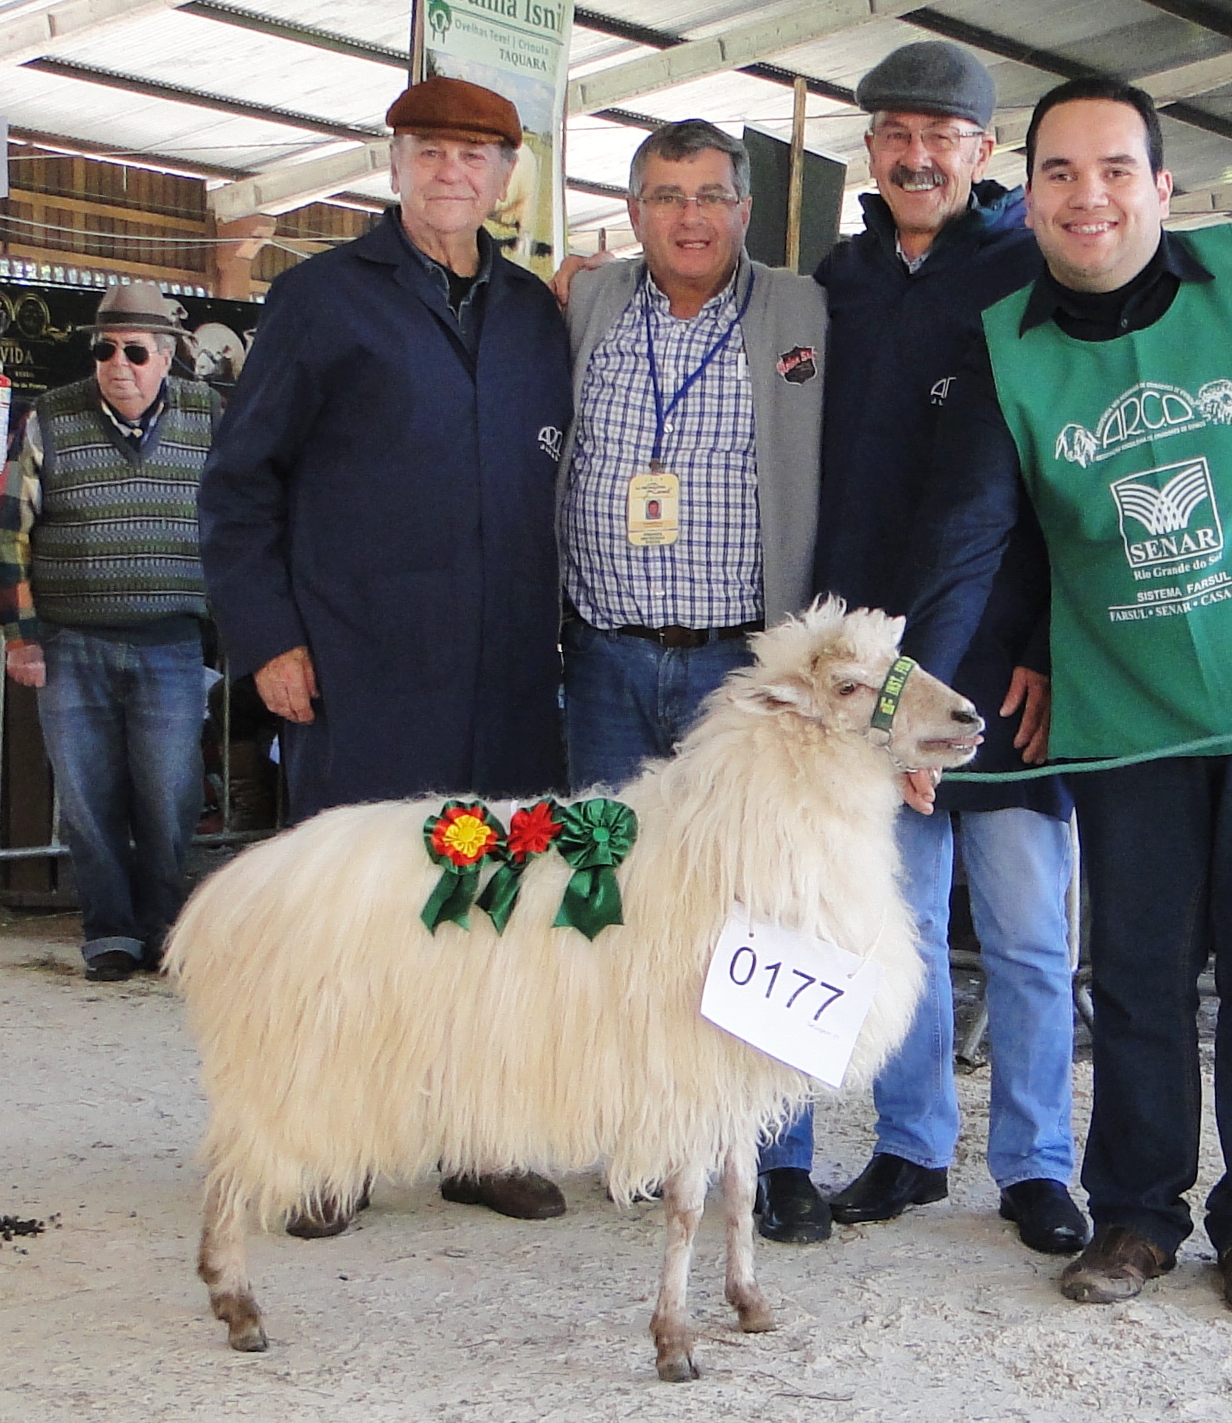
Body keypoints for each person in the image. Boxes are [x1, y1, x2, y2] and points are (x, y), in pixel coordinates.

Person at [905, 78, 1232, 1318]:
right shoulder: (1004, 345)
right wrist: (910, 701)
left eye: (1115, 169)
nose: (1089, 195)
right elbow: (969, 536)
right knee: (1136, 973)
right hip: (1128, 704)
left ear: (1161, 187)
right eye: (1060, 172)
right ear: (1027, 197)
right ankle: (1135, 1212)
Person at [197, 76, 575, 1231]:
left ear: (506, 177)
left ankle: (478, 1138)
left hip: (508, 682)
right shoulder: (320, 299)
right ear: (396, 161)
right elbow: (238, 484)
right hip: (363, 674)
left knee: (493, 910)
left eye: (476, 155)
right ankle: (324, 1150)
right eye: (431, 151)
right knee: (350, 919)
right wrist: (268, 638)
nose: (453, 172)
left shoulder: (533, 315)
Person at [751, 41, 1087, 1258]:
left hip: (1001, 669)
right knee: (898, 927)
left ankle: (1037, 1164)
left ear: (982, 152)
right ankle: (912, 1143)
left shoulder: (1031, 270)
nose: (916, 155)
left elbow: (1060, 489)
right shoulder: (833, 284)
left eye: (941, 136)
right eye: (896, 133)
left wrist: (1046, 643)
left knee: (1027, 934)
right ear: (870, 149)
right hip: (866, 674)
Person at [556, 120, 825, 794]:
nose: (691, 218)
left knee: (734, 851)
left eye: (711, 196)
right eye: (666, 197)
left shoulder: (809, 309)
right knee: (608, 849)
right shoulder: (586, 301)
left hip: (741, 666)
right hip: (603, 666)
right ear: (633, 213)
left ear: (744, 211)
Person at [0, 283, 217, 985]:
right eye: (105, 350)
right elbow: (6, 530)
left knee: (170, 797)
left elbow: (242, 517)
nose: (118, 364)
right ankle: (109, 932)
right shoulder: (51, 416)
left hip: (172, 640)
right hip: (69, 639)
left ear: (167, 357)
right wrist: (20, 636)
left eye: (135, 352)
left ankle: (164, 930)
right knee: (87, 799)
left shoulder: (209, 417)